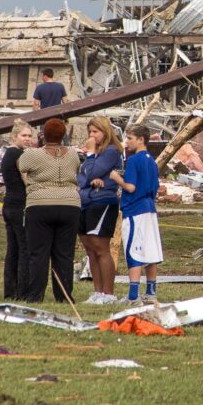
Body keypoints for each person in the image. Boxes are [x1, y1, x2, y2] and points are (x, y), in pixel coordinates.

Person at [18, 118, 81, 303]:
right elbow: (76, 168)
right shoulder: (72, 154)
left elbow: (21, 166)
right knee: (64, 254)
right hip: (70, 204)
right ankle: (64, 296)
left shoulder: (32, 154)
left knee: (38, 253)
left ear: (43, 135)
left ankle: (35, 295)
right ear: (63, 135)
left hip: (40, 203)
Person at [110, 124, 163, 305]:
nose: (127, 142)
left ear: (141, 139)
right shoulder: (152, 161)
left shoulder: (134, 160)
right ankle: (151, 292)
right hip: (149, 208)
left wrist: (117, 178)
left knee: (134, 250)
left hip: (135, 209)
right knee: (150, 250)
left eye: (130, 138)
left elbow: (131, 187)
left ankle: (133, 296)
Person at [76, 117, 123, 305]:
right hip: (85, 200)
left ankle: (108, 293)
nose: (92, 135)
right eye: (90, 132)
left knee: (100, 247)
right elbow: (82, 177)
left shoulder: (111, 151)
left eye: (95, 132)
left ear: (105, 132)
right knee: (89, 248)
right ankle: (97, 292)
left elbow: (93, 172)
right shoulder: (93, 153)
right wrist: (90, 179)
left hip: (102, 202)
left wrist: (90, 156)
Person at [1, 120, 35, 301]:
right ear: (15, 136)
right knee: (24, 248)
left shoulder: (8, 153)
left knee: (13, 249)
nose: (28, 139)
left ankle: (10, 290)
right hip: (20, 204)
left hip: (9, 204)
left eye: (30, 136)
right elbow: (26, 179)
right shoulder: (19, 154)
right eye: (24, 135)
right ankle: (23, 291)